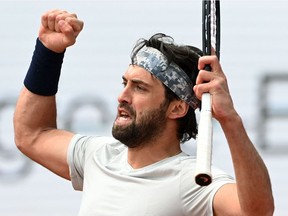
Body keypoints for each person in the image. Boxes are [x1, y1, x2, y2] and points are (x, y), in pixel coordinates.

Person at [14, 9, 274, 216]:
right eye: (124, 83)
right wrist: (48, 52)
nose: (122, 96)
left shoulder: (195, 179)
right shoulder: (97, 156)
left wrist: (230, 119)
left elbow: (257, 212)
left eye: (139, 88)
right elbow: (31, 134)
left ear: (177, 108)